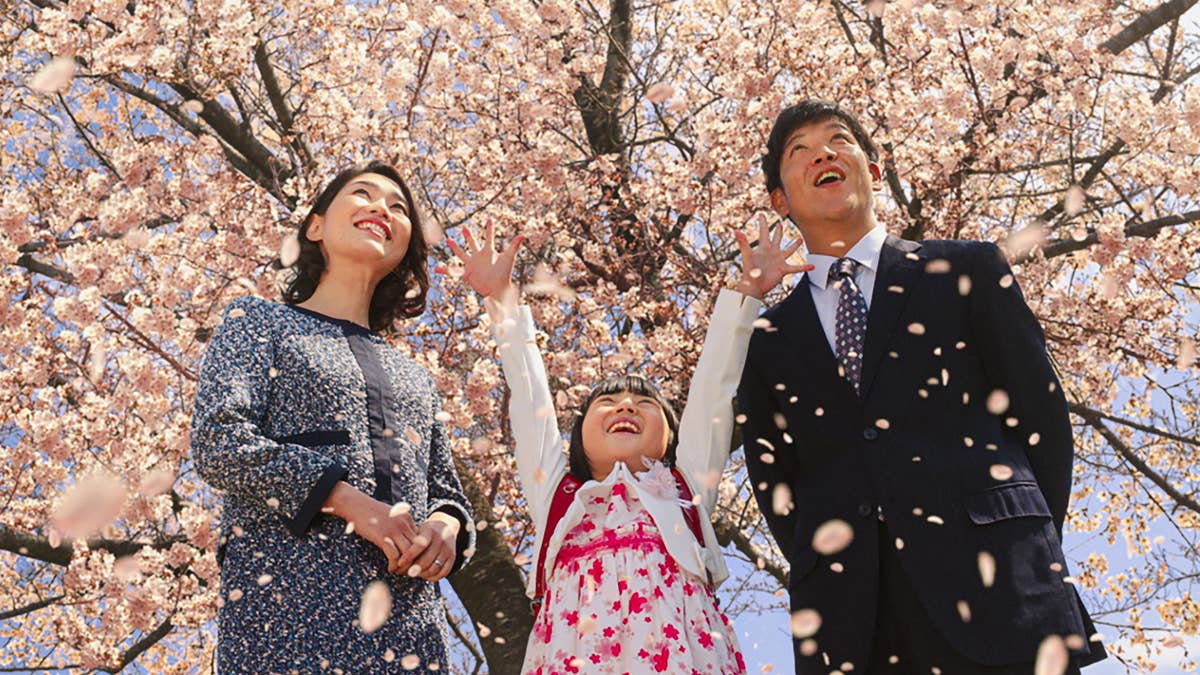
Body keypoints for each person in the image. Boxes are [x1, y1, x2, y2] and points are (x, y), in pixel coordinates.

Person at [736, 99, 1108, 674]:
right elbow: (774, 483)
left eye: (839, 140)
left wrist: (1017, 538)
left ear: (874, 170)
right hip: (852, 623)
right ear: (779, 200)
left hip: (1001, 592)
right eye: (799, 151)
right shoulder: (765, 340)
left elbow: (1042, 417)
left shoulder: (967, 270)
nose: (823, 154)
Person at [448, 220, 809, 674]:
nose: (625, 406)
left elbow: (713, 388)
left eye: (644, 402)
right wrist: (502, 301)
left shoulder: (685, 486)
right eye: (607, 401)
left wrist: (747, 294)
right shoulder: (558, 497)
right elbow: (528, 395)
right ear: (576, 436)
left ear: (672, 438)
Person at [192, 161, 475, 673]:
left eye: (398, 208)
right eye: (362, 194)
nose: (381, 209)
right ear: (315, 226)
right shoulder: (257, 321)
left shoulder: (415, 376)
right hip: (289, 606)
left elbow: (446, 492)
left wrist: (447, 527)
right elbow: (220, 441)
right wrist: (347, 501)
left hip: (413, 625)